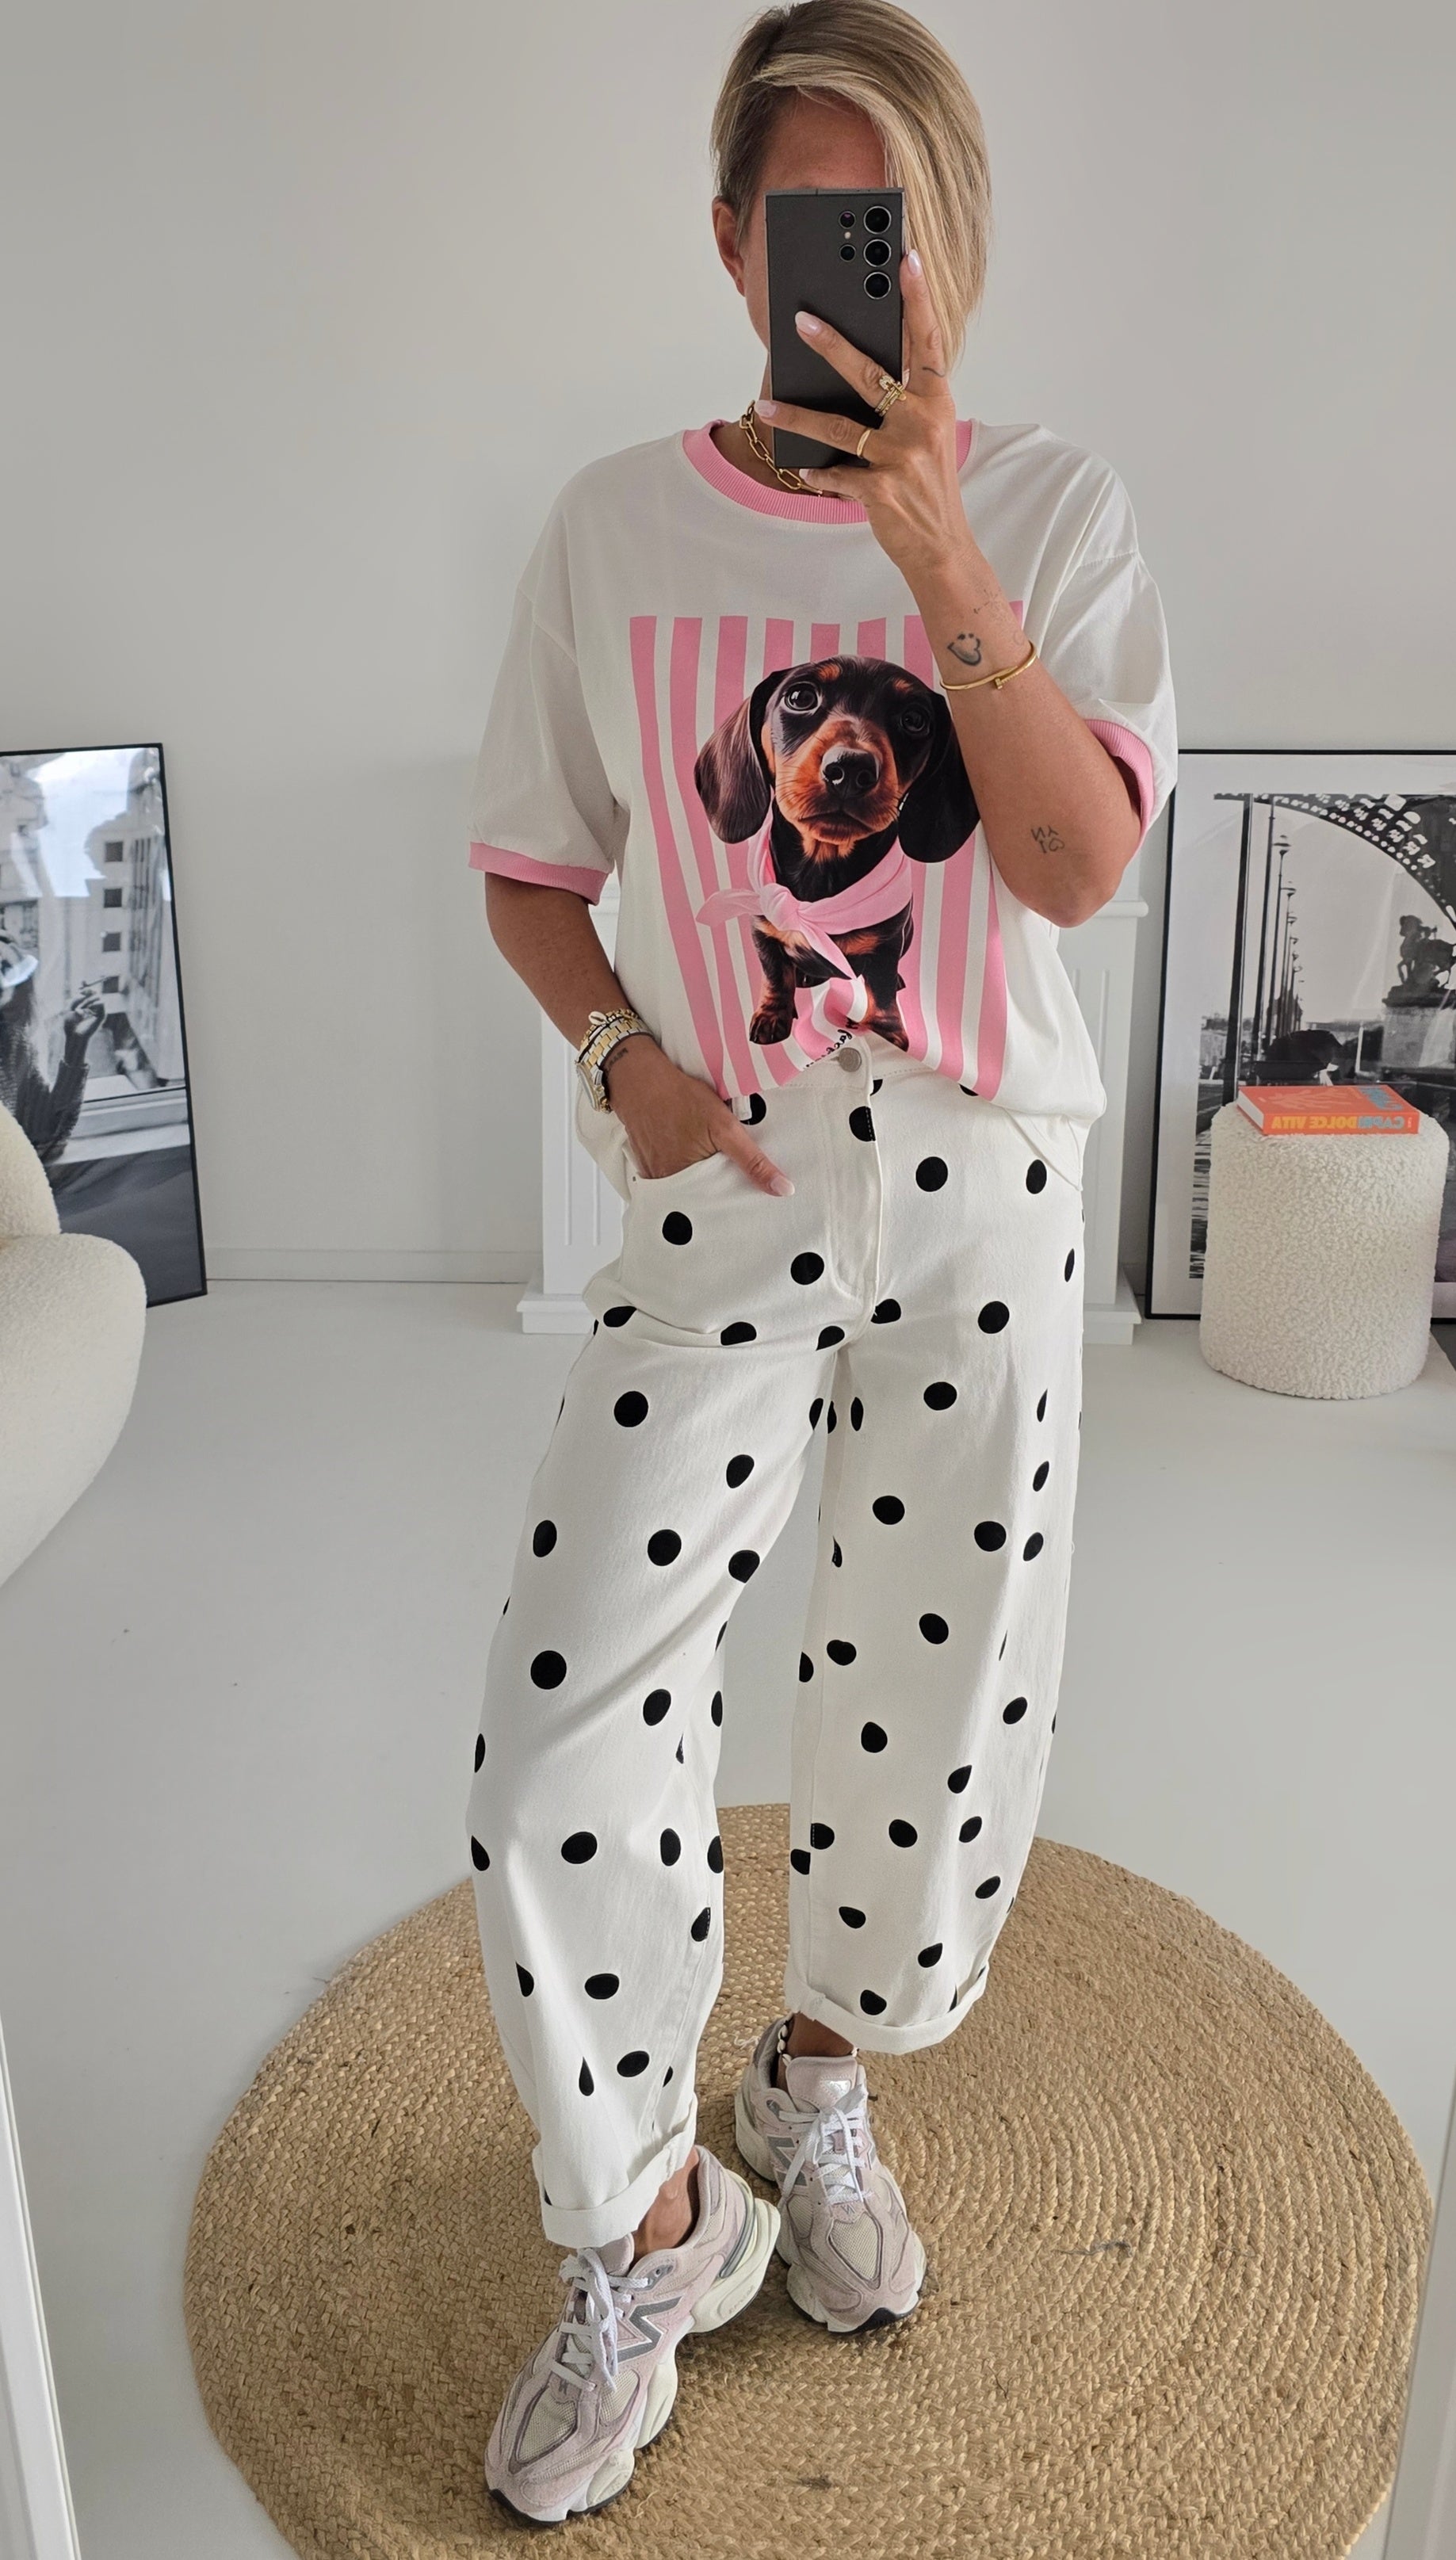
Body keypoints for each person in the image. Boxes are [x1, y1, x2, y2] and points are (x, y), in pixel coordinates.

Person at [464, 0, 1175, 2524]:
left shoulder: (1057, 509)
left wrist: (940, 553)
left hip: (984, 1187)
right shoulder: (610, 532)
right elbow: (531, 871)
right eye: (816, 223)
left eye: (904, 224)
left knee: (938, 1694)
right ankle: (646, 2219)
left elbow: (1075, 868)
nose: (865, 268)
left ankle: (814, 2083)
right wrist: (623, 1065)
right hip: (733, 1175)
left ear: (957, 247)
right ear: (735, 240)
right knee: (566, 1713)